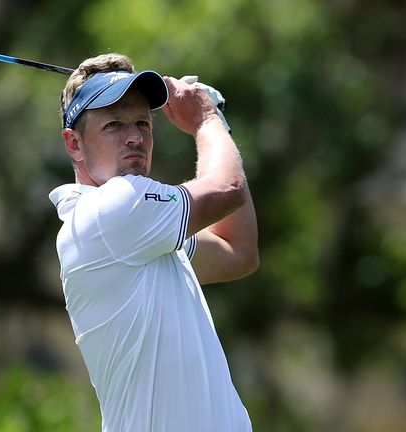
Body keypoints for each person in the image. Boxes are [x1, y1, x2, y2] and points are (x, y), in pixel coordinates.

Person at [48, 53, 259, 432]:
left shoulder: (142, 233)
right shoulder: (113, 210)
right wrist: (206, 121)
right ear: (74, 144)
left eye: (143, 123)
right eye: (113, 124)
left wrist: (216, 125)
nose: (135, 137)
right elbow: (227, 188)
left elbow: (238, 252)